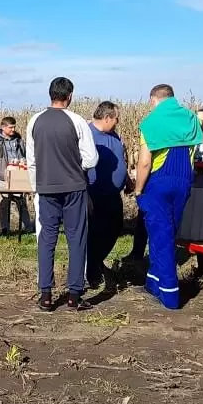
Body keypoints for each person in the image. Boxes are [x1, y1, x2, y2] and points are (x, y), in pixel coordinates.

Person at [28, 77, 99, 311]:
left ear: (50, 94)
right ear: (69, 96)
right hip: (74, 188)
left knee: (47, 239)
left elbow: (32, 161)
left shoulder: (34, 121)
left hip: (46, 188)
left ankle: (46, 295)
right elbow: (91, 158)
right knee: (76, 239)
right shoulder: (77, 120)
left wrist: (35, 188)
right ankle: (75, 295)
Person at [133, 84, 203, 309]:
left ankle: (170, 295)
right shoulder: (191, 119)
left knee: (160, 237)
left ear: (154, 99)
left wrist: (138, 189)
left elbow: (144, 162)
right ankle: (152, 283)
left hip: (158, 184)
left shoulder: (151, 122)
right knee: (168, 233)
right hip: (183, 182)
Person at [87, 101, 129, 290]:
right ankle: (92, 270)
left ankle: (96, 262)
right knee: (96, 233)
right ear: (106, 118)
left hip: (113, 192)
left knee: (115, 228)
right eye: (116, 118)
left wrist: (127, 179)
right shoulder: (87, 135)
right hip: (96, 193)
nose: (118, 122)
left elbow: (120, 159)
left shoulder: (114, 134)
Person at [0, 116, 33, 236]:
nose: (13, 129)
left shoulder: (19, 140)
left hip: (18, 176)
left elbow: (26, 154)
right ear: (3, 127)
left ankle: (28, 229)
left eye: (14, 127)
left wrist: (24, 162)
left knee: (21, 203)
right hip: (2, 178)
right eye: (10, 127)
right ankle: (5, 229)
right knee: (4, 204)